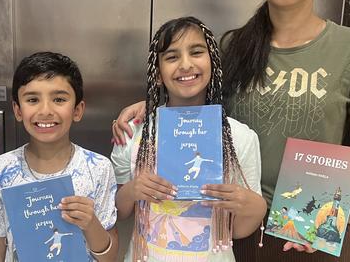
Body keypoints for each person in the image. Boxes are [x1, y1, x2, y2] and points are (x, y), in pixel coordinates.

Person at [112, 0, 350, 261]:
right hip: (233, 226)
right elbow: (194, 92)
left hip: (306, 230)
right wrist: (151, 105)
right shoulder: (234, 46)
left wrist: (313, 211)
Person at [111, 17, 266, 262]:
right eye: (172, 57)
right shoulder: (134, 134)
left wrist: (253, 205)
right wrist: (133, 190)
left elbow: (240, 230)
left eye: (196, 52)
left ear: (213, 63)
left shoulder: (240, 138)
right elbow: (118, 212)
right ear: (158, 74)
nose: (185, 64)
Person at [0, 52, 118, 261]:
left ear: (78, 110)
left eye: (59, 99)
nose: (45, 110)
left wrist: (91, 223)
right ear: (17, 110)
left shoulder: (99, 168)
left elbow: (109, 257)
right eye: (33, 99)